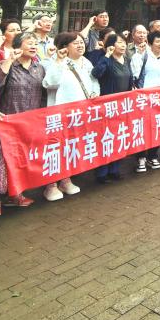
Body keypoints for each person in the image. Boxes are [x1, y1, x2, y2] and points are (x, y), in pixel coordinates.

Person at [0, 32, 44, 215]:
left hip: (28, 124)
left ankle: (16, 194)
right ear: (18, 46)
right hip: (7, 122)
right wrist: (9, 61)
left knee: (20, 160)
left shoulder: (39, 68)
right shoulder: (7, 65)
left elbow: (43, 95)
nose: (33, 46)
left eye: (35, 43)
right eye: (29, 43)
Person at [41, 31, 99, 200]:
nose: (80, 45)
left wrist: (95, 92)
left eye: (81, 42)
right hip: (59, 113)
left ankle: (66, 180)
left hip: (79, 114)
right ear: (64, 46)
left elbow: (94, 81)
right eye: (75, 43)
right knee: (55, 148)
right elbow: (49, 83)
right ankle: (50, 185)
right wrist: (59, 61)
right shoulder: (53, 61)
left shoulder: (86, 62)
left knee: (71, 146)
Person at [90, 32, 134, 181]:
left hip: (123, 107)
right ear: (111, 45)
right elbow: (96, 73)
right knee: (106, 138)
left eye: (124, 42)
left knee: (119, 136)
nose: (123, 45)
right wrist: (107, 56)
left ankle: (114, 169)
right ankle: (102, 172)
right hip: (107, 107)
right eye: (119, 42)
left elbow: (130, 80)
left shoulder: (126, 60)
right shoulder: (106, 60)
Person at [132, 31, 160, 171]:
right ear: (150, 43)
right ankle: (141, 158)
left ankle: (152, 156)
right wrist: (138, 56)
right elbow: (135, 74)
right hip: (145, 100)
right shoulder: (142, 56)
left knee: (158, 126)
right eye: (157, 41)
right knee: (143, 129)